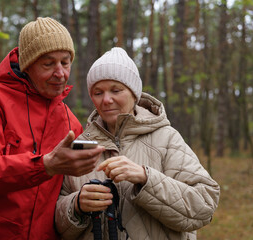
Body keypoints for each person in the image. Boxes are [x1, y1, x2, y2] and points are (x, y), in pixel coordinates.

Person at [0, 17, 105, 240]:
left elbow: (69, 191)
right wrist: (45, 165)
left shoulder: (70, 122)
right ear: (27, 65)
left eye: (65, 62)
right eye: (48, 64)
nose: (60, 73)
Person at [55, 47, 220, 240]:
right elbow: (56, 224)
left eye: (116, 90)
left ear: (134, 94)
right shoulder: (82, 146)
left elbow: (204, 206)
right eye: (98, 92)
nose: (106, 100)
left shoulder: (166, 139)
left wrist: (146, 178)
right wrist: (76, 206)